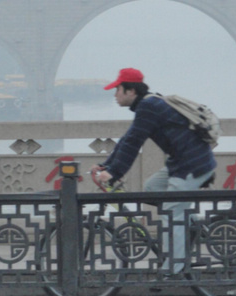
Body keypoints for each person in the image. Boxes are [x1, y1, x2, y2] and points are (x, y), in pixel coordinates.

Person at [92, 67, 217, 275]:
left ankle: (174, 271)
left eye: (117, 89)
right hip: (182, 163)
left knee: (171, 210)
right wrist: (107, 166)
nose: (115, 94)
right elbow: (128, 138)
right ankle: (191, 224)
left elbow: (133, 143)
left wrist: (114, 174)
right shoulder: (148, 104)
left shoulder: (149, 106)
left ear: (131, 91)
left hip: (192, 165)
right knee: (152, 188)